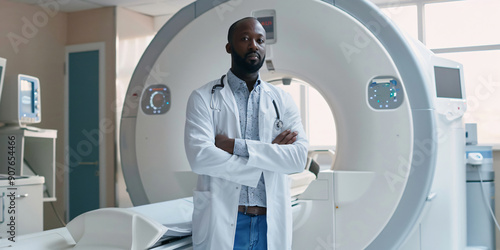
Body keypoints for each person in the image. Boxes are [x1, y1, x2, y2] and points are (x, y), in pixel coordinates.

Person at [184, 17, 308, 250]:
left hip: (269, 221)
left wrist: (234, 146)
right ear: (229, 47)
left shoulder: (282, 100)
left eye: (260, 40)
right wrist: (269, 158)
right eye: (245, 39)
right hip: (224, 219)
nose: (254, 46)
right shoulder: (203, 97)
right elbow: (200, 158)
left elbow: (298, 159)